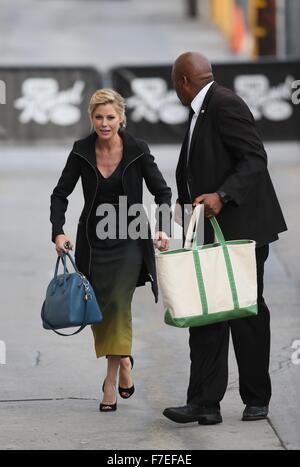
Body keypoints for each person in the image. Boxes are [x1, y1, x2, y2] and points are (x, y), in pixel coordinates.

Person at [163, 52, 287, 425]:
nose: (175, 90)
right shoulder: (203, 108)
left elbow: (253, 158)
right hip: (209, 229)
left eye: (175, 84)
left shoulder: (225, 104)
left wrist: (223, 195)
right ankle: (204, 402)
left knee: (246, 312)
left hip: (241, 230)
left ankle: (256, 398)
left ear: (184, 81)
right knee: (206, 315)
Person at [50, 88, 171, 412]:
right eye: (99, 117)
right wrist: (58, 232)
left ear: (121, 118)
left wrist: (161, 227)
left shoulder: (136, 149)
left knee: (118, 302)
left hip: (130, 237)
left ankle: (109, 379)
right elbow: (60, 194)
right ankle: (125, 364)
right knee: (99, 307)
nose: (105, 123)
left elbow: (162, 192)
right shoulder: (81, 151)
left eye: (111, 117)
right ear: (92, 118)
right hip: (93, 241)